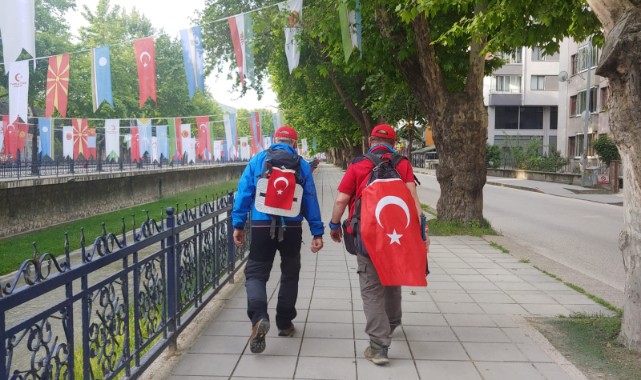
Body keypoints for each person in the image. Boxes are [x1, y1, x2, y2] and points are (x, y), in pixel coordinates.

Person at [328, 124, 429, 365]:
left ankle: (378, 346)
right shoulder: (402, 164)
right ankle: (392, 323)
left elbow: (342, 199)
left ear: (370, 140)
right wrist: (422, 233)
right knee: (392, 276)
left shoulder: (358, 164)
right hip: (397, 235)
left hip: (367, 234)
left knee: (371, 287)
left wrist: (334, 225)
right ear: (394, 144)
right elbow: (413, 201)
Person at [232, 125, 325, 354]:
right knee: (290, 273)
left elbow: (244, 192)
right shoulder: (301, 164)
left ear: (274, 140)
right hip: (292, 226)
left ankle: (259, 317)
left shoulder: (259, 160)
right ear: (294, 143)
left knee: (255, 274)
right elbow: (309, 199)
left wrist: (238, 224)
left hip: (262, 225)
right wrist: (317, 232)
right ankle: (284, 323)